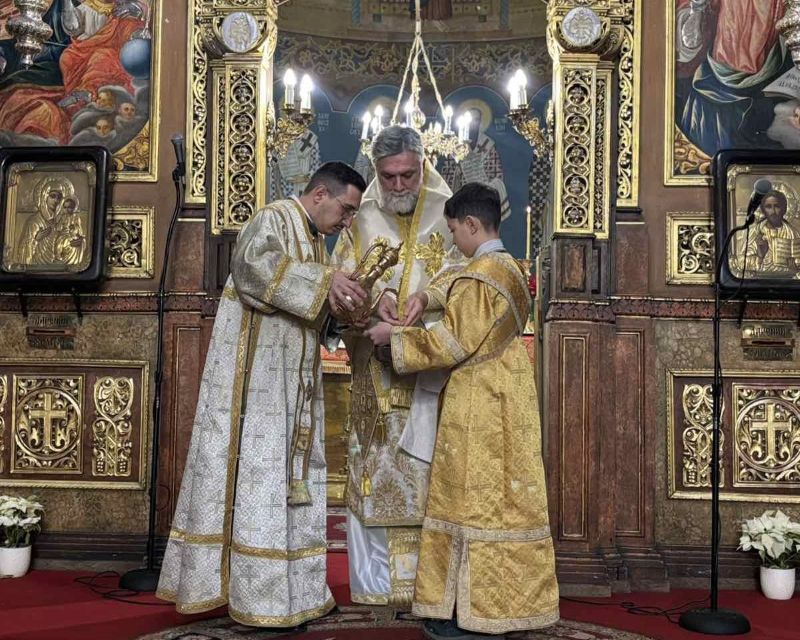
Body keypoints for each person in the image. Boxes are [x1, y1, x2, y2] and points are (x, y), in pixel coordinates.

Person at [156, 162, 369, 627]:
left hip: (295, 391)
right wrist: (324, 281)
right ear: (320, 195)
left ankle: (292, 595)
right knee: (260, 487)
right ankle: (258, 600)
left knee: (291, 489)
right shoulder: (273, 217)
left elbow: (311, 312)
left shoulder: (313, 240)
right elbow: (253, 270)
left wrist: (342, 308)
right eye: (346, 209)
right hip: (258, 393)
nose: (348, 221)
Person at [365, 183, 559, 638]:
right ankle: (503, 604)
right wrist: (426, 298)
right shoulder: (508, 268)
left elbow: (450, 342)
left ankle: (467, 613)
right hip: (507, 391)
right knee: (503, 502)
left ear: (471, 224)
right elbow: (456, 282)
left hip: (477, 401)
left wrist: (392, 338)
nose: (452, 240)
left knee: (468, 500)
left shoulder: (479, 277)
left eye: (454, 230)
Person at [330, 125, 462, 607]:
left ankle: (433, 586)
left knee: (431, 476)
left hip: (433, 372)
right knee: (376, 472)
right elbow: (340, 291)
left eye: (408, 174)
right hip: (376, 372)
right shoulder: (360, 219)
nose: (399, 185)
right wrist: (372, 303)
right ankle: (378, 585)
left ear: (423, 165)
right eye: (389, 177)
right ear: (376, 171)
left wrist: (426, 301)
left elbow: (466, 279)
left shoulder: (448, 214)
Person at [15, 176, 74, 267]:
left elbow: (66, 242)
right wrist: (36, 239)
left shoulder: (62, 220)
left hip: (58, 266)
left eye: (59, 197)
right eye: (53, 196)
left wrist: (73, 242)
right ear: (44, 197)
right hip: (36, 267)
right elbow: (24, 251)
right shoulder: (34, 221)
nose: (56, 200)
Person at [741, 189, 800, 277]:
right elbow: (741, 264)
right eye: (768, 207)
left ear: (783, 209)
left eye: (777, 206)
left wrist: (794, 270)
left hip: (787, 281)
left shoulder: (793, 234)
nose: (773, 211)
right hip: (759, 281)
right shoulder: (756, 233)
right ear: (763, 210)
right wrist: (760, 256)